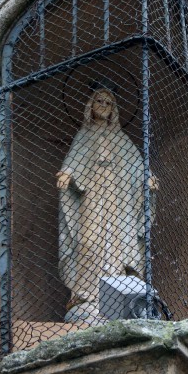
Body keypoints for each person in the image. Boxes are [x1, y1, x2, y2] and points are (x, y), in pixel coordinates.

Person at [56, 88, 157, 322]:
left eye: (109, 103)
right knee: (88, 242)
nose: (103, 106)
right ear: (90, 106)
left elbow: (136, 168)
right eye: (99, 101)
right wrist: (67, 175)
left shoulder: (121, 140)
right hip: (90, 196)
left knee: (119, 242)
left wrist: (147, 180)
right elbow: (73, 162)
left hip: (117, 198)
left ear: (114, 109)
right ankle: (86, 295)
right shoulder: (84, 136)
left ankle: (116, 296)